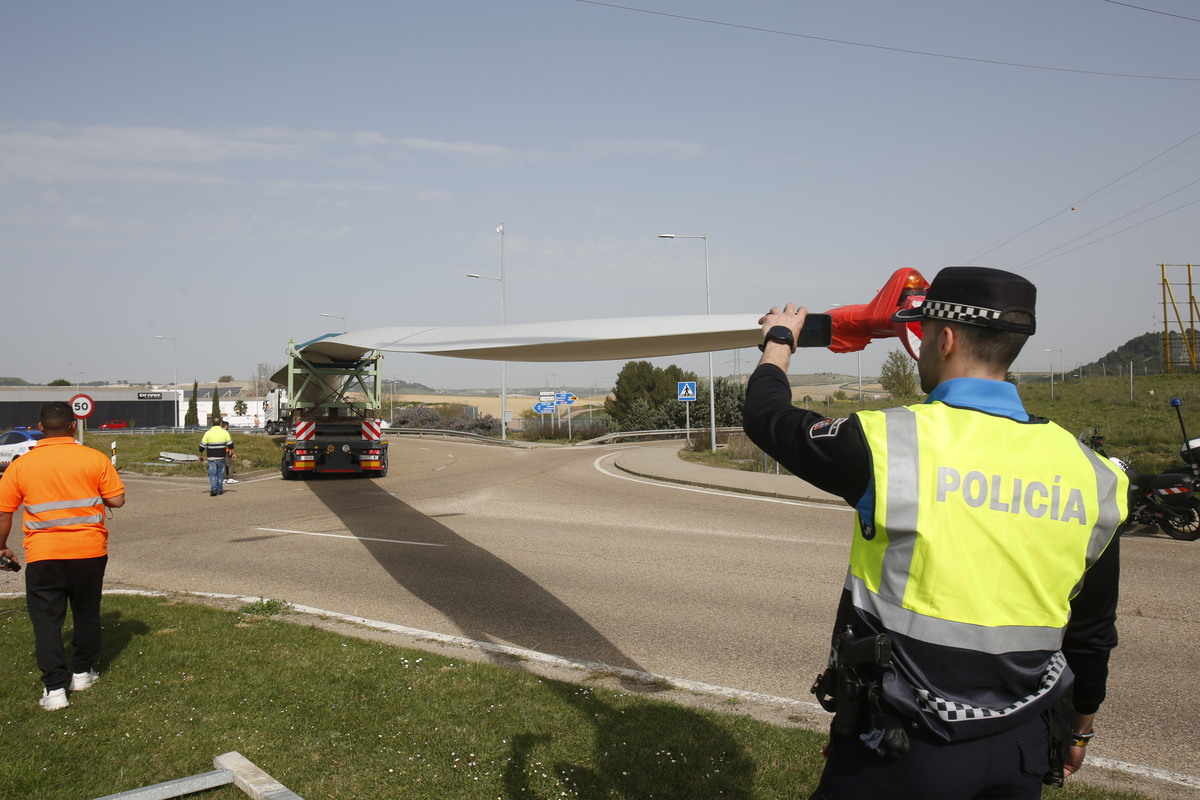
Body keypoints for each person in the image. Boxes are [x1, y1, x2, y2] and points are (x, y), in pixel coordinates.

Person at [742, 267, 1128, 799]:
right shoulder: (1095, 475)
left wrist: (778, 343)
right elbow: (1092, 631)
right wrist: (1080, 728)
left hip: (902, 749)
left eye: (922, 335)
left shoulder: (891, 444)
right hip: (1021, 747)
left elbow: (767, 418)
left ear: (943, 339)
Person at [0, 401, 126, 711]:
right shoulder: (94, 458)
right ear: (73, 425)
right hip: (89, 551)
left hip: (44, 555)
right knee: (86, 614)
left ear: (40, 428)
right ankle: (82, 673)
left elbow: (4, 512)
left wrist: (1, 547)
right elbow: (117, 500)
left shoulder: (20, 465)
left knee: (46, 622)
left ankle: (55, 690)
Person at [199, 416, 234, 496]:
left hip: (211, 457)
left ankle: (213, 489)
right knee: (220, 473)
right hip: (221, 456)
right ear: (220, 423)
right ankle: (219, 489)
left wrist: (200, 454)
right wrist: (233, 453)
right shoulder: (225, 432)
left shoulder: (208, 433)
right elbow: (230, 444)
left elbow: (202, 446)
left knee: (212, 473)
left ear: (212, 424)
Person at [221, 419, 238, 485]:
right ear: (226, 426)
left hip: (220, 451)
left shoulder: (219, 432)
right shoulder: (226, 433)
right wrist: (232, 451)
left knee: (224, 464)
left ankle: (224, 478)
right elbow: (229, 443)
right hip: (226, 450)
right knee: (231, 464)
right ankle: (230, 478)